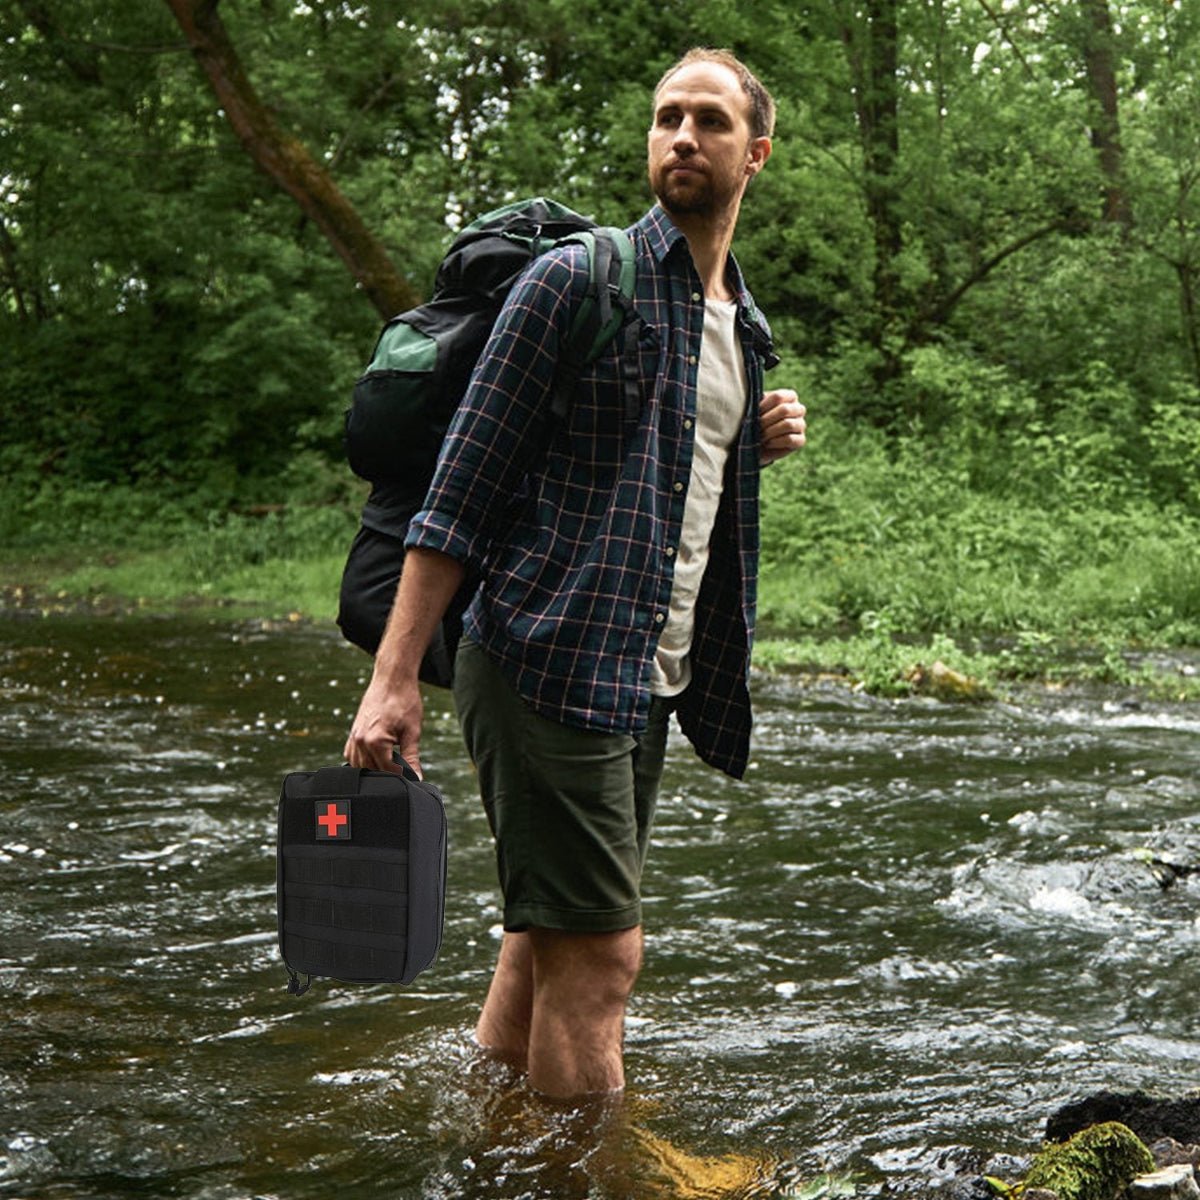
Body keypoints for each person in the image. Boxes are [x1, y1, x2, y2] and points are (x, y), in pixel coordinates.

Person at [344, 46, 806, 1101]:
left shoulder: (745, 325)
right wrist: (395, 677)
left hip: (646, 676)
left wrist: (752, 438)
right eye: (667, 117)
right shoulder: (572, 282)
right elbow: (457, 489)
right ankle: (584, 1178)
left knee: (543, 940)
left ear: (758, 153)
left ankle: (500, 1149)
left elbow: (657, 475)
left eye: (710, 122)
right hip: (547, 657)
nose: (682, 137)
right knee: (602, 960)